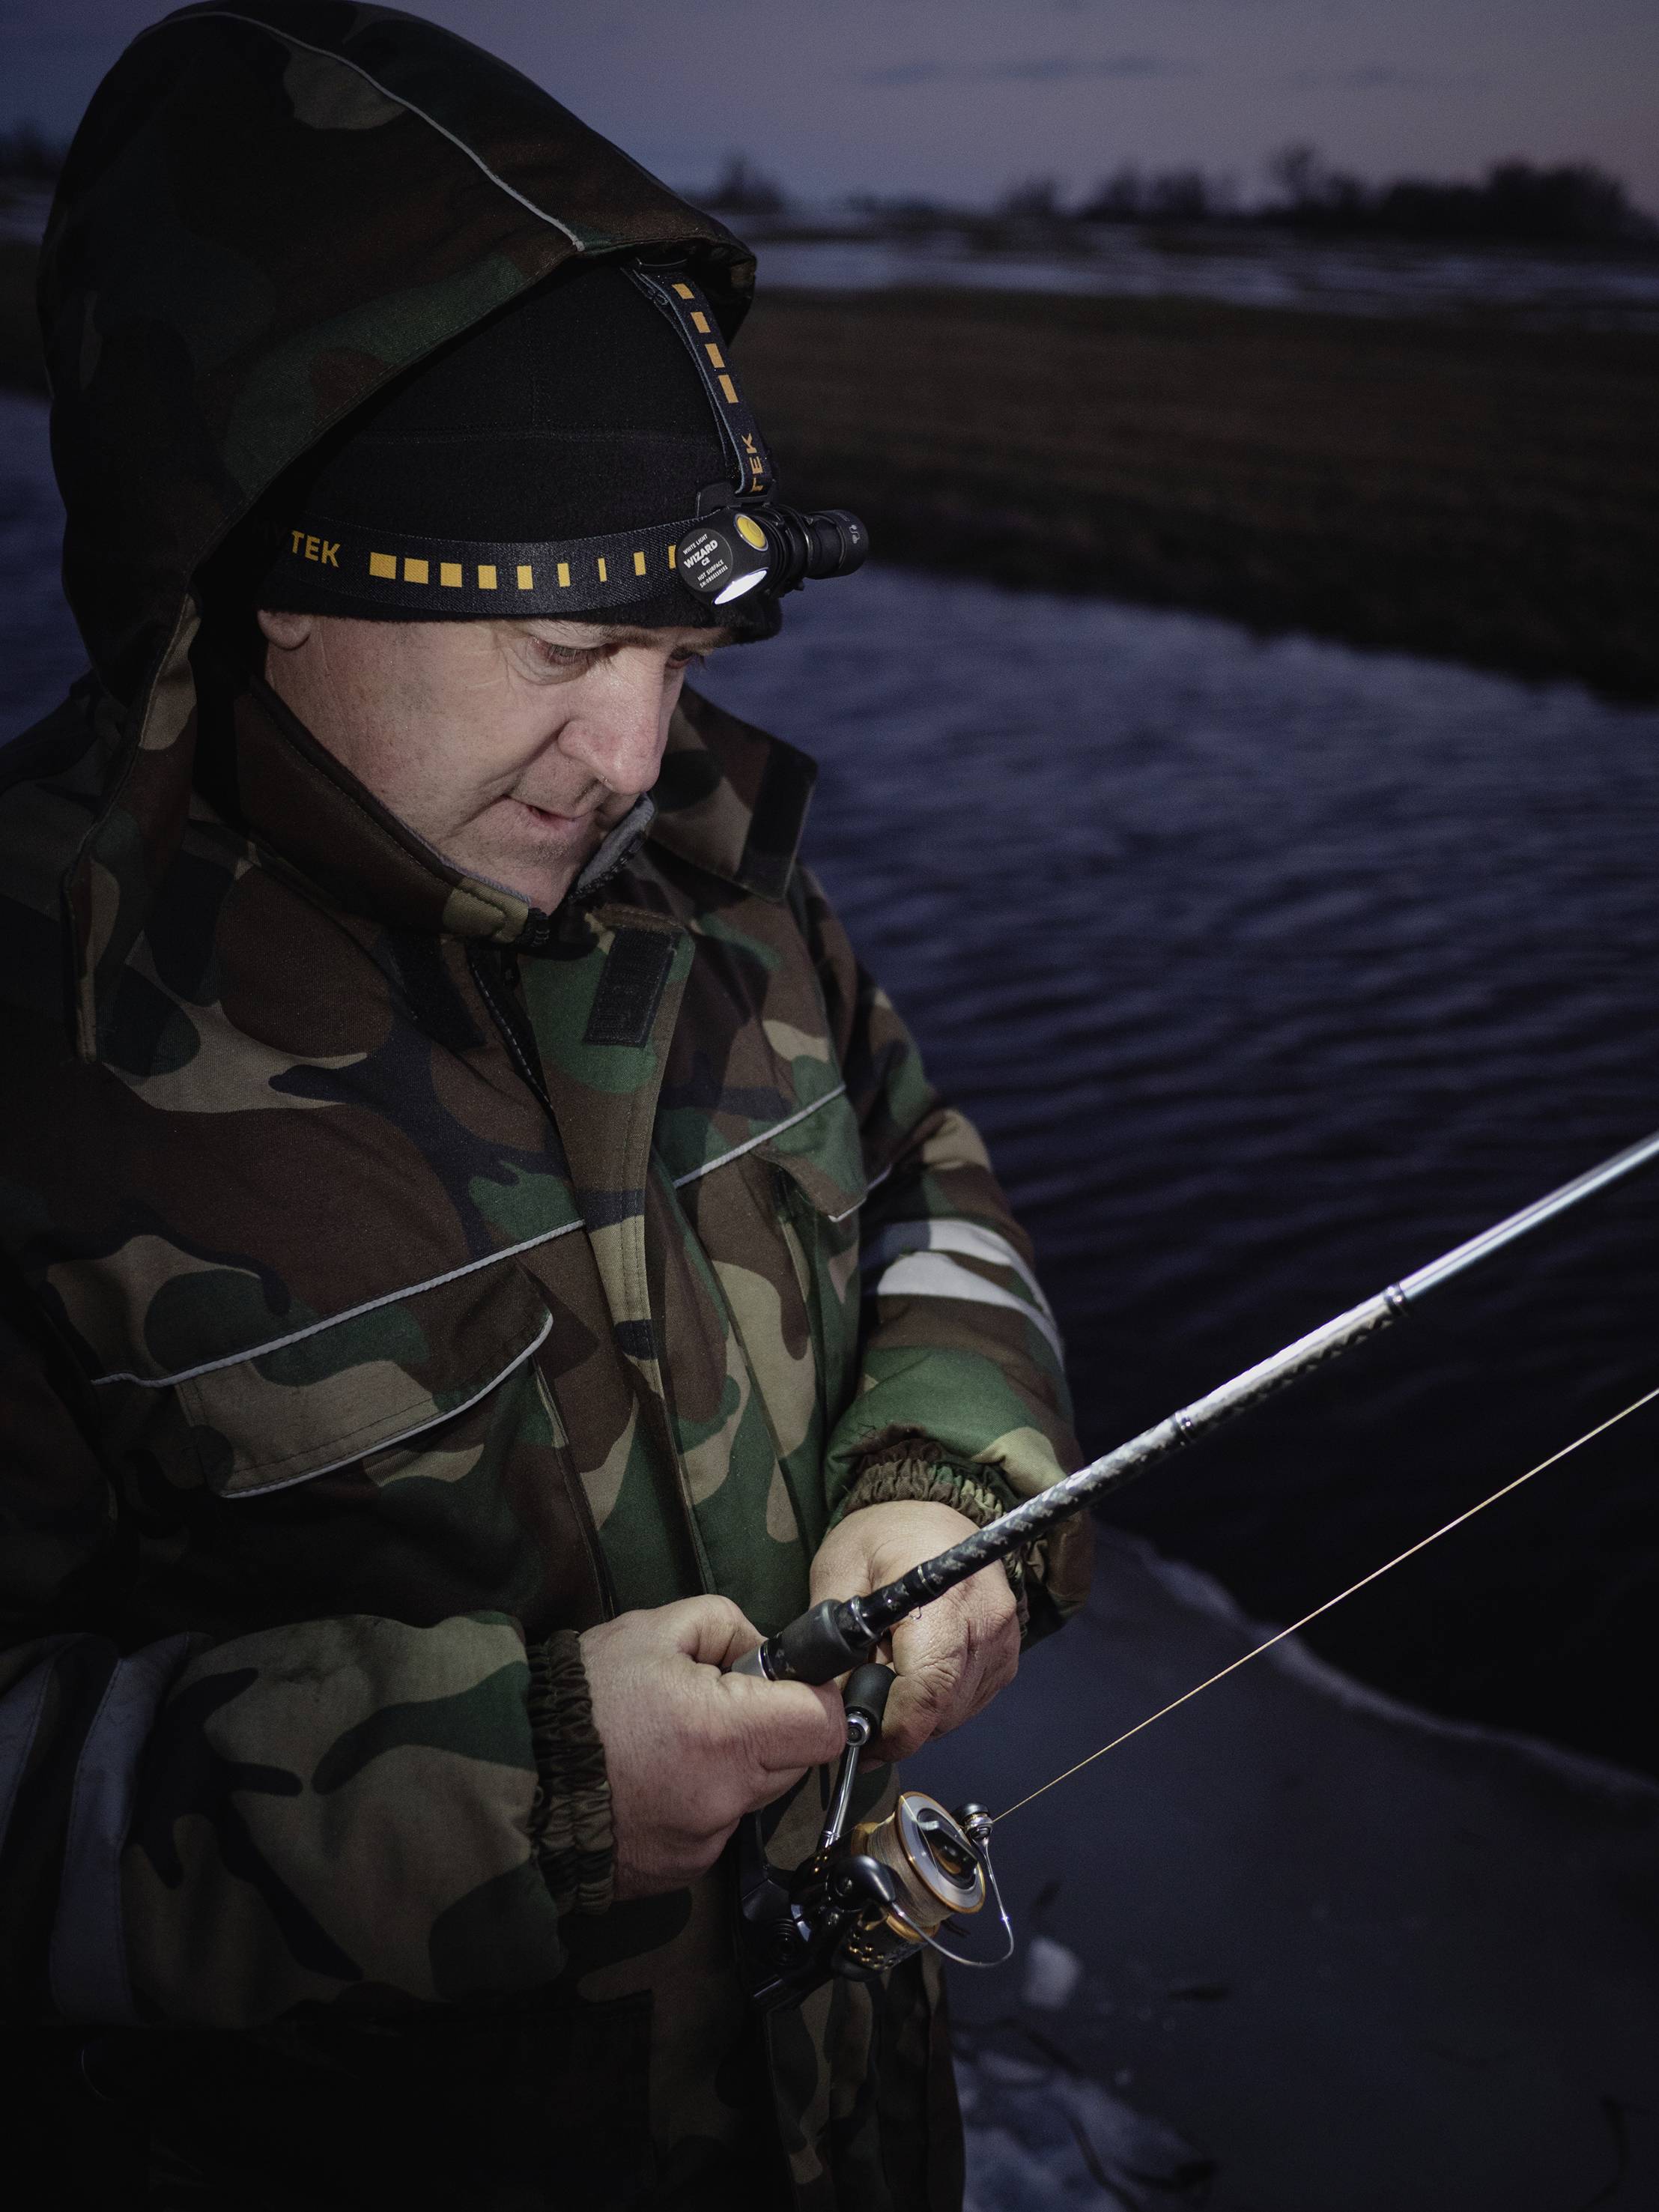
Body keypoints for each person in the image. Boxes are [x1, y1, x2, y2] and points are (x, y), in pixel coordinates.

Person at [0, 7, 1090, 2206]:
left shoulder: (719, 897)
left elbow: (929, 1187)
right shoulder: (40, 1055)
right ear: (266, 568)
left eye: (681, 657)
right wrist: (517, 1781)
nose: (632, 755)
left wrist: (941, 1472)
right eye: (561, 647)